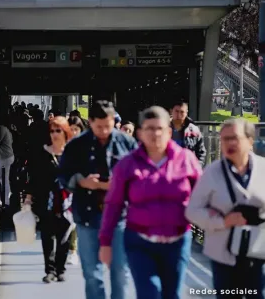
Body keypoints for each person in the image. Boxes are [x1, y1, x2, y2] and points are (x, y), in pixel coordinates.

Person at [99, 106, 202, 299]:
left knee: (172, 294)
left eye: (160, 128)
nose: (155, 133)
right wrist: (106, 242)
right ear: (140, 133)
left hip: (177, 241)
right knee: (149, 293)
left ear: (169, 132)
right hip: (140, 242)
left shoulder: (186, 160)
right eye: (149, 128)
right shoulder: (127, 164)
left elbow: (203, 197)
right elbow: (113, 204)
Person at [59, 100, 137, 299]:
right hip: (87, 214)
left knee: (120, 272)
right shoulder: (76, 145)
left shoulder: (126, 143)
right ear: (91, 122)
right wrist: (82, 182)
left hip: (120, 216)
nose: (104, 131)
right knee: (93, 274)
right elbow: (63, 175)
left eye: (108, 126)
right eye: (99, 126)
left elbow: (140, 175)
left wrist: (120, 184)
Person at [186, 118, 265, 299]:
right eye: (224, 139)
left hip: (257, 251)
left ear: (250, 141)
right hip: (222, 251)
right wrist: (222, 221)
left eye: (234, 138)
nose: (228, 143)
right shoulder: (211, 172)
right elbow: (192, 210)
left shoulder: (263, 169)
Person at [24, 116, 74, 283]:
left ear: (65, 132)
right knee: (47, 236)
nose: (54, 134)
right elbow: (34, 178)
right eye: (52, 131)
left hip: (67, 203)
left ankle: (60, 269)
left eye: (58, 130)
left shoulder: (71, 153)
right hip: (46, 201)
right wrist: (28, 199)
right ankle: (50, 270)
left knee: (64, 237)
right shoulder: (42, 153)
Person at [66, 115, 85, 265]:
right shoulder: (60, 144)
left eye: (76, 129)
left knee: (75, 220)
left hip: (80, 189)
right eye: (70, 129)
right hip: (63, 189)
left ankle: (73, 250)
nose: (73, 132)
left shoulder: (85, 146)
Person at [170, 100, 206, 166]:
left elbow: (201, 152)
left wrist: (197, 167)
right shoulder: (163, 129)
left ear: (186, 113)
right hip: (167, 168)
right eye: (176, 111)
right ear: (171, 111)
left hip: (187, 169)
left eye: (182, 112)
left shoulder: (194, 130)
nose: (179, 115)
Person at [0, 121, 14, 206]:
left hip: (5, 157)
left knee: (3, 179)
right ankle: (5, 199)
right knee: (3, 178)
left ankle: (6, 201)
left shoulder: (1, 129)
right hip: (7, 156)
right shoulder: (6, 129)